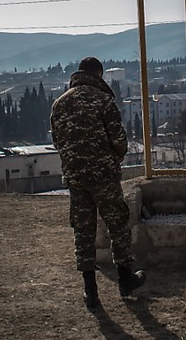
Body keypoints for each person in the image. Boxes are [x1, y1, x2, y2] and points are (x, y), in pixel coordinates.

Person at [50, 56, 146, 309]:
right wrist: (113, 157)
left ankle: (90, 291)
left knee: (83, 231)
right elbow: (119, 139)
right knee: (117, 224)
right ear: (99, 74)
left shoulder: (60, 104)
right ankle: (126, 280)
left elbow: (58, 143)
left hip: (76, 178)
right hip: (103, 177)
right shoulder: (103, 101)